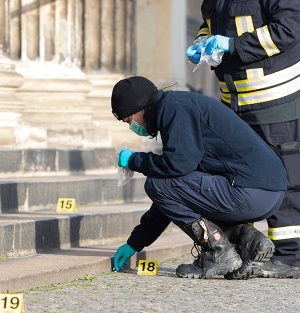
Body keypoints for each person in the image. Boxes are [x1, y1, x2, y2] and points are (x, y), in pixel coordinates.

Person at [110, 76, 287, 279]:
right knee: (172, 186)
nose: (132, 127)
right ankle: (248, 240)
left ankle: (219, 252)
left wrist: (134, 160)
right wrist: (135, 242)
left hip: (249, 191)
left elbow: (176, 166)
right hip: (267, 192)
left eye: (129, 121)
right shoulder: (180, 105)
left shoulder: (173, 109)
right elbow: (176, 192)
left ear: (138, 109)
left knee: (156, 184)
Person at [185, 0, 300, 279]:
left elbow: (288, 29)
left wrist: (232, 45)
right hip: (236, 99)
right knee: (236, 176)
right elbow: (211, 22)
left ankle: (289, 257)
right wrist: (202, 42)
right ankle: (242, 250)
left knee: (285, 176)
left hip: (277, 95)